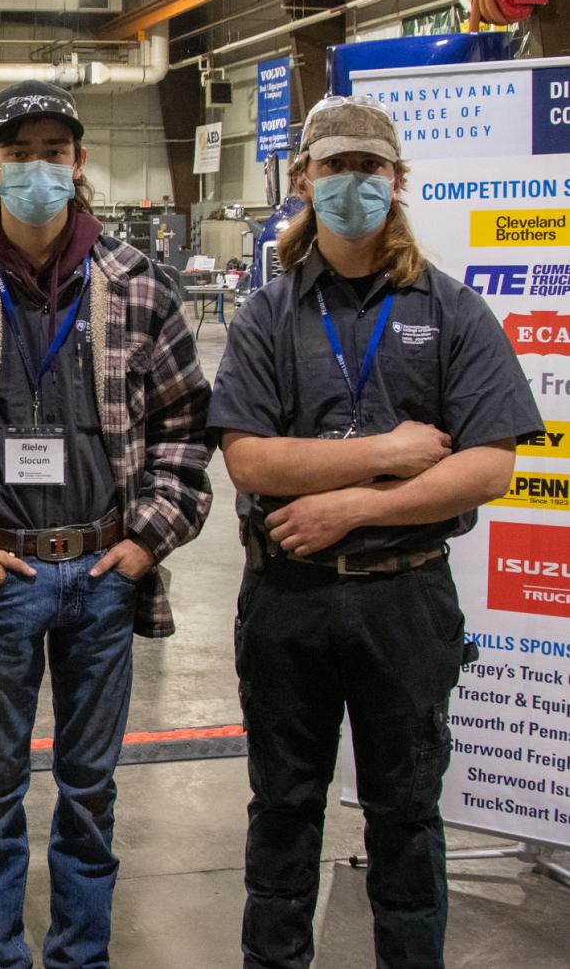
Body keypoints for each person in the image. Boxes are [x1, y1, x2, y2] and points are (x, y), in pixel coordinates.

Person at [0, 80, 212, 969]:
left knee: (91, 787)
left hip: (103, 574)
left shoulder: (138, 287)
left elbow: (185, 428)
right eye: (18, 154)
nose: (36, 169)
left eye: (54, 153)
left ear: (79, 164)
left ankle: (79, 956)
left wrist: (148, 541)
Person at [208, 95, 542, 969]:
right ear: (303, 181)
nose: (352, 183)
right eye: (334, 167)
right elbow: (250, 461)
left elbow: (487, 466)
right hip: (289, 599)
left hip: (405, 595)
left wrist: (354, 505)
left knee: (405, 813)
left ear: (397, 183)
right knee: (283, 806)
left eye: (370, 168)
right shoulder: (267, 317)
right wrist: (393, 452)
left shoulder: (456, 313)